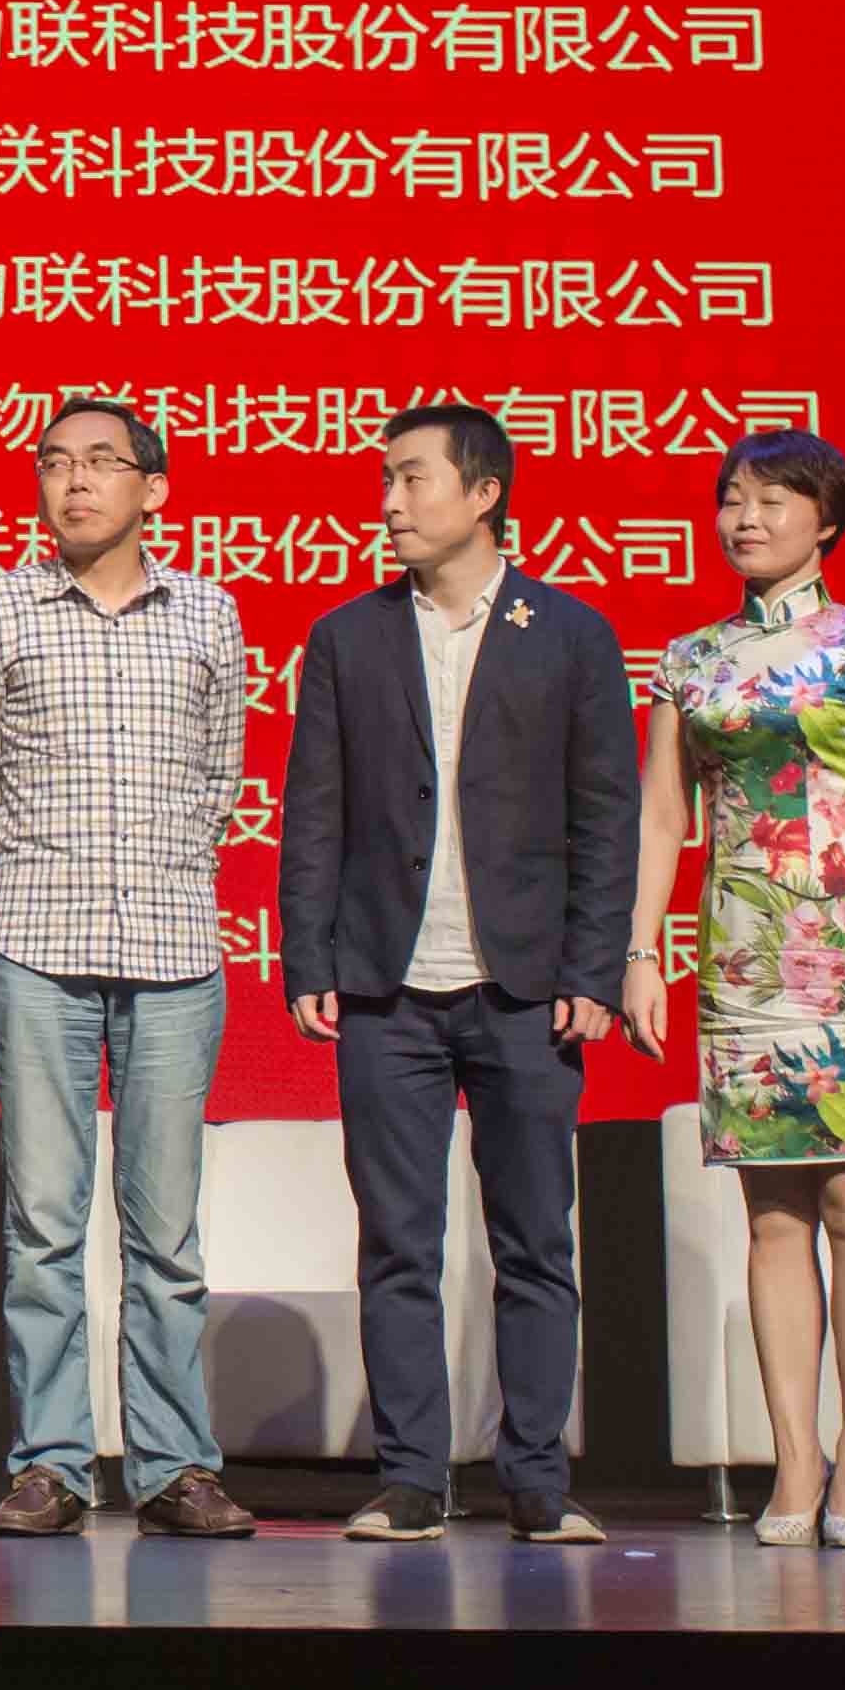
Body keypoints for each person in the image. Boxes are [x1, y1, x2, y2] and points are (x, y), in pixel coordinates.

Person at [277, 399, 639, 1544]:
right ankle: (410, 1479)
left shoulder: (569, 633)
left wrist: (591, 966)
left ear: (484, 494)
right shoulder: (349, 635)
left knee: (535, 1241)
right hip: (386, 987)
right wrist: (310, 954)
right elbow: (313, 810)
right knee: (397, 1242)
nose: (388, 502)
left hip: (527, 989)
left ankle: (536, 1479)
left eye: (411, 478)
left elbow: (606, 816)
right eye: (384, 480)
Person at [0, 395, 261, 1541]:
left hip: (173, 947)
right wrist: (40, 871)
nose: (74, 482)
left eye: (100, 462)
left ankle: (175, 1467)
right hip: (37, 943)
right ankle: (51, 1464)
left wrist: (165, 869)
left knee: (164, 1234)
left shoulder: (208, 612)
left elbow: (220, 778)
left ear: (153, 488)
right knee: (43, 1226)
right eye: (54, 463)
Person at [624, 431, 845, 1548]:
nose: (743, 519)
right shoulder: (690, 659)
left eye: (770, 500)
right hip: (744, 956)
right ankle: (794, 1458)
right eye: (731, 500)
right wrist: (641, 950)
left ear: (827, 521)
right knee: (772, 1215)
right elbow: (662, 815)